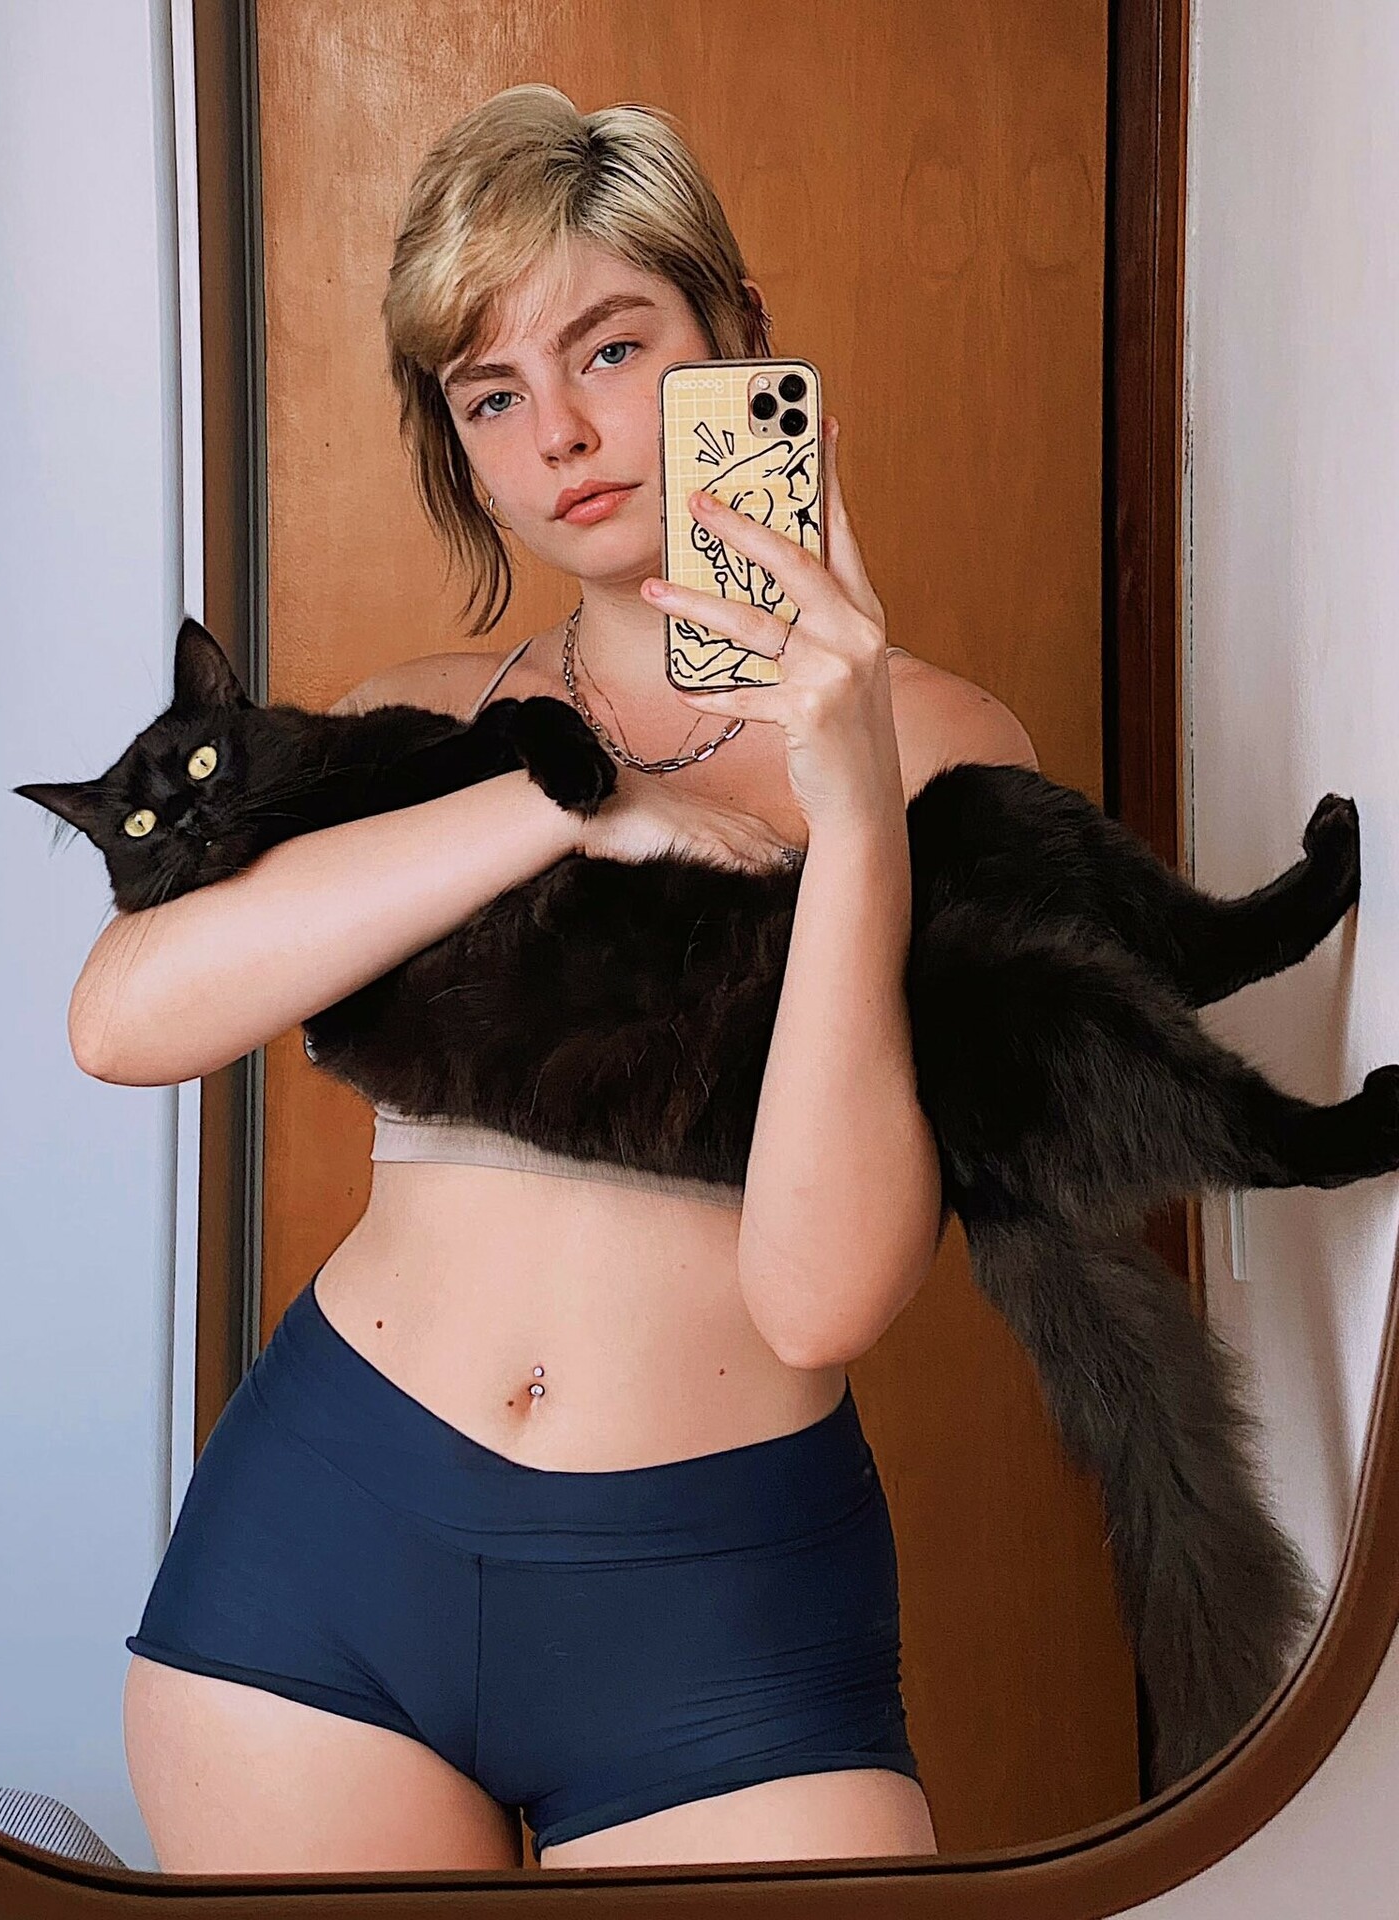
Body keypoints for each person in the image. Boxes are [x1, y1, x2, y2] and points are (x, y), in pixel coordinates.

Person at [86, 85, 1038, 1876]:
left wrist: (848, 810)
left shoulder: (947, 755)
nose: (566, 436)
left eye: (612, 346)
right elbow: (123, 1019)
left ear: (734, 339)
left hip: (720, 1612)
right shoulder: (418, 722)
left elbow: (823, 1297)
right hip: (322, 1559)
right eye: (492, 395)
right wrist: (559, 805)